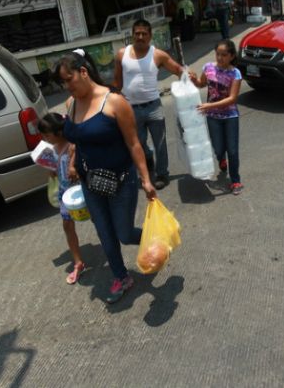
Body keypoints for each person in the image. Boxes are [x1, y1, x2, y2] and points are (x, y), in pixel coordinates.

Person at [55, 48, 157, 303]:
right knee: (104, 233)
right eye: (62, 82)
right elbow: (76, 140)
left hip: (122, 181)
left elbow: (134, 143)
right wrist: (73, 164)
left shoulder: (114, 102)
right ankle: (122, 277)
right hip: (91, 182)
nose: (67, 86)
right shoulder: (71, 104)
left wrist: (145, 179)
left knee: (123, 233)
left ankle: (156, 239)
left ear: (83, 72)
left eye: (69, 79)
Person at [112, 19, 186, 190]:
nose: (140, 37)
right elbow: (117, 82)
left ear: (150, 36)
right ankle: (148, 161)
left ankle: (162, 174)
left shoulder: (158, 55)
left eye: (144, 33)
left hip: (154, 107)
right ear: (132, 35)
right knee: (139, 143)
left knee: (160, 142)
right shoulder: (122, 54)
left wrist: (193, 79)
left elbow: (177, 70)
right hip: (131, 109)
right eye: (137, 33)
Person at [189, 39, 244, 195]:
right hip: (213, 117)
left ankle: (235, 180)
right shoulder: (208, 68)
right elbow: (201, 84)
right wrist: (194, 80)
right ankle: (221, 160)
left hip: (230, 116)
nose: (220, 58)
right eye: (218, 54)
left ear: (232, 56)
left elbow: (232, 98)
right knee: (218, 148)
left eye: (224, 55)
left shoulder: (235, 73)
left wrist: (208, 106)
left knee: (232, 150)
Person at [37, 113, 86, 284]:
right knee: (67, 224)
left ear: (59, 132)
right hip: (65, 193)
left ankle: (111, 249)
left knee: (98, 220)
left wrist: (73, 164)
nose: (45, 138)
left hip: (82, 191)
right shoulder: (52, 149)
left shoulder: (73, 146)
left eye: (47, 135)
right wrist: (51, 170)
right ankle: (78, 261)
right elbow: (55, 171)